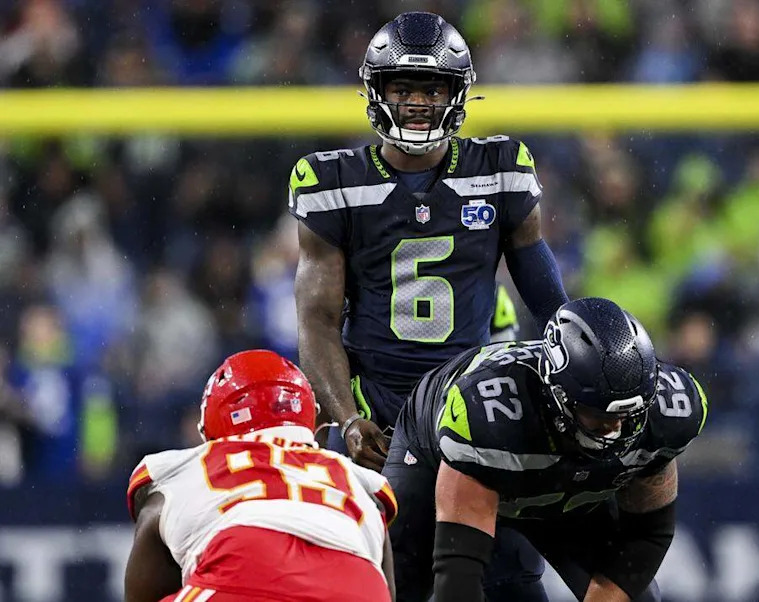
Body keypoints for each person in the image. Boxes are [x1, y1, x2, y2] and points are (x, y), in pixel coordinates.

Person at [288, 10, 567, 470]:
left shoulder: (499, 168)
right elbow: (317, 321)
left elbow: (547, 301)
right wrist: (350, 418)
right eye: (402, 89)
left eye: (433, 89)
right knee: (373, 538)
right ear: (378, 93)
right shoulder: (333, 182)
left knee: (496, 541)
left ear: (456, 94)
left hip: (472, 402)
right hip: (375, 402)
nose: (417, 103)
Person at [383, 297, 709, 602]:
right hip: (442, 455)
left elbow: (647, 536)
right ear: (558, 396)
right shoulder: (491, 419)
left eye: (629, 414)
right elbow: (458, 573)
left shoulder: (668, 412)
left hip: (568, 487)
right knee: (400, 586)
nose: (616, 428)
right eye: (599, 413)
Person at [123, 350, 397, 602]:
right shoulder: (360, 482)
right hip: (357, 586)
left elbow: (143, 584)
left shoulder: (183, 468)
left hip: (241, 572)